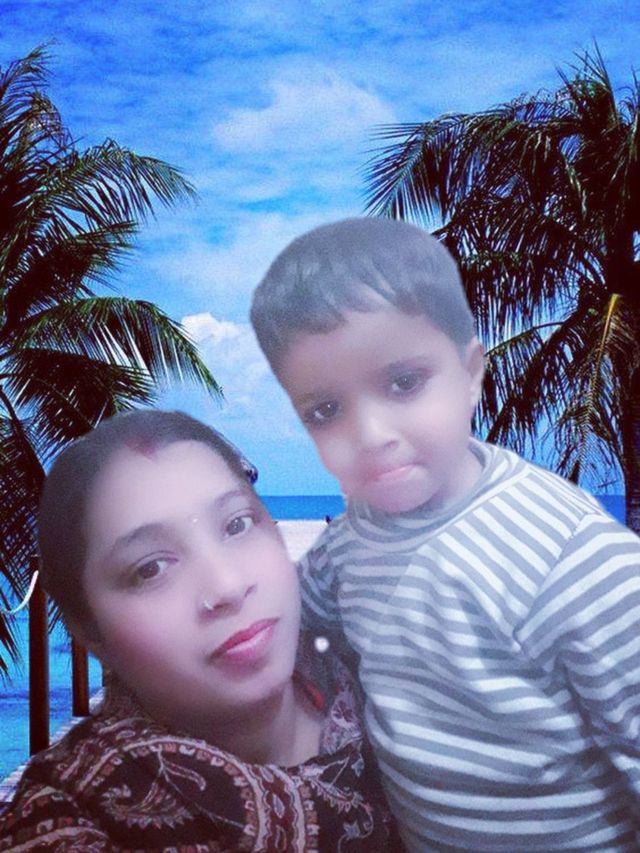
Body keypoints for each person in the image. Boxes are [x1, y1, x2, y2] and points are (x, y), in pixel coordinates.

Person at [250, 217, 640, 851]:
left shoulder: (573, 559)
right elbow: (292, 624)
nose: (370, 435)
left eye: (403, 382)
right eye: (325, 410)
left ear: (471, 373)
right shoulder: (349, 544)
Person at [0, 410, 401, 851]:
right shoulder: (76, 814)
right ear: (86, 628)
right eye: (151, 568)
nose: (227, 586)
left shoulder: (395, 676)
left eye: (237, 524)